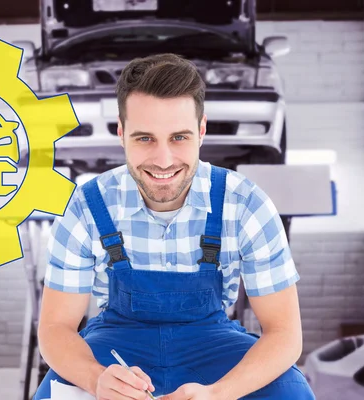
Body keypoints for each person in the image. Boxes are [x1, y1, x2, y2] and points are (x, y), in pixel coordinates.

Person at [32, 53, 315, 400]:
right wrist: (95, 380)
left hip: (215, 348)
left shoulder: (245, 204)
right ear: (121, 134)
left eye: (179, 138)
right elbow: (56, 328)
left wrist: (219, 393)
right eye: (144, 138)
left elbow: (284, 333)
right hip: (116, 353)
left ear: (201, 131)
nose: (163, 160)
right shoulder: (87, 206)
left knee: (291, 392)